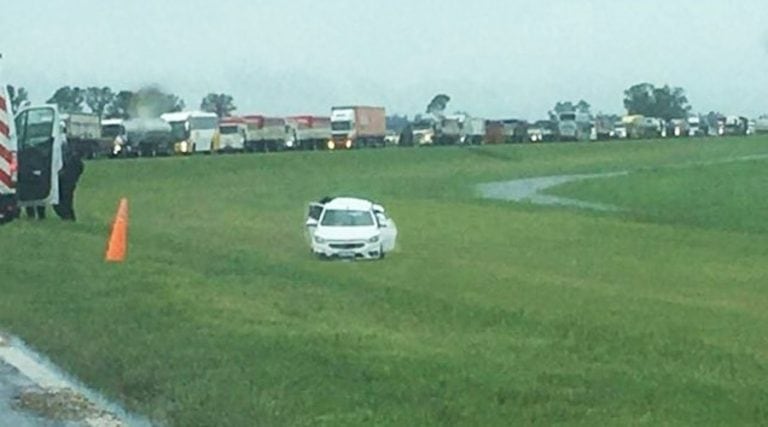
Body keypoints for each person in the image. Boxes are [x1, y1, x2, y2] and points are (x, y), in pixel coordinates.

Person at [53, 142, 84, 221]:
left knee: (62, 201)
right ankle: (68, 216)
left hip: (65, 182)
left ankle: (67, 216)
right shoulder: (76, 161)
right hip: (68, 183)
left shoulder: (72, 161)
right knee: (67, 201)